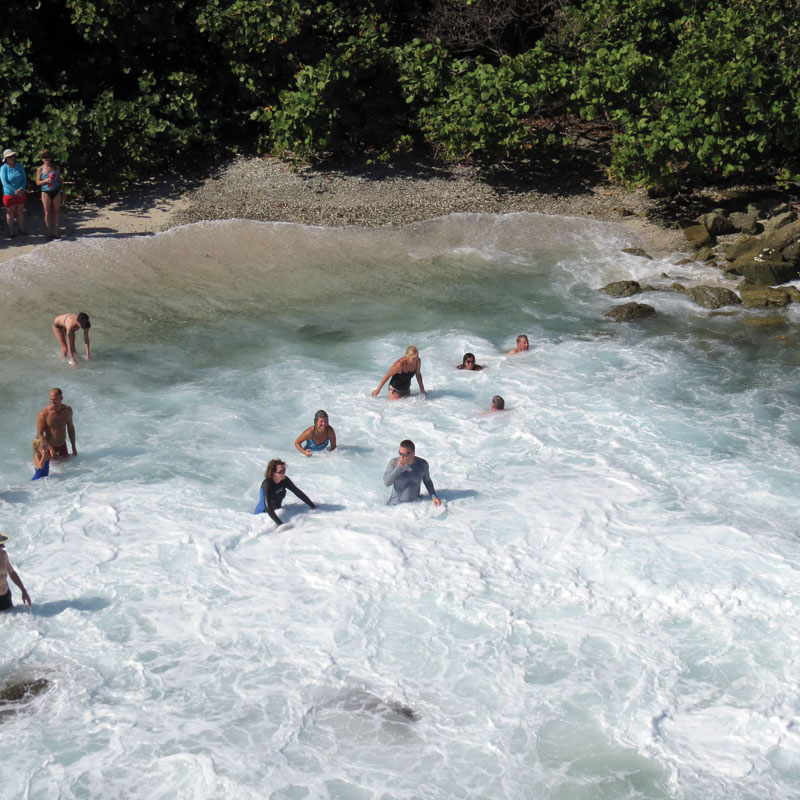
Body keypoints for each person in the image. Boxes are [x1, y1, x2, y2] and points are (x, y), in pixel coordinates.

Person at [254, 459, 316, 526]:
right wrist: (281, 524)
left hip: (276, 512)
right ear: (272, 473)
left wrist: (313, 506)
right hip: (262, 517)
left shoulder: (285, 480)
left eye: (284, 470)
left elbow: (298, 492)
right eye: (280, 472)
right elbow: (267, 507)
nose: (284, 473)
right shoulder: (267, 484)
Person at [383, 439, 442, 506]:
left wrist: (434, 496)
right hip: (396, 505)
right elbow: (387, 483)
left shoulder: (422, 464)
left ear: (413, 453)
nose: (402, 457)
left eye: (405, 454)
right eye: (400, 454)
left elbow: (427, 481)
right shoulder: (393, 463)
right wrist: (398, 468)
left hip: (415, 505)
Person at [36, 388, 76, 459]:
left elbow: (70, 428)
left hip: (63, 445)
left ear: (61, 398)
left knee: (69, 466)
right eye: (51, 399)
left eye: (54, 399)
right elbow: (39, 434)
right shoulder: (44, 414)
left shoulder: (67, 411)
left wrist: (73, 446)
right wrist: (50, 448)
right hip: (49, 447)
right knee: (54, 469)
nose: (52, 401)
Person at [0, 533, 32, 611]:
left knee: (10, 619)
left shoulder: (3, 555)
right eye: (1, 545)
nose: (4, 547)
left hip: (5, 596)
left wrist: (23, 590)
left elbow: (12, 573)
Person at [36, 150, 63, 240]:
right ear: (42, 159)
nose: (46, 159)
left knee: (57, 211)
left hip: (56, 190)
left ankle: (57, 231)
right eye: (44, 158)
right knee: (47, 213)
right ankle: (48, 231)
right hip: (45, 191)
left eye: (48, 157)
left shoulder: (55, 167)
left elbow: (59, 179)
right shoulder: (40, 169)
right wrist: (45, 181)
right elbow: (38, 182)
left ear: (50, 158)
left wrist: (63, 191)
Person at [1, 148, 27, 238]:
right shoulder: (3, 168)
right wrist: (14, 191)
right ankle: (11, 231)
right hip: (9, 194)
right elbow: (4, 183)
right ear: (6, 159)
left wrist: (21, 189)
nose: (12, 158)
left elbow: (24, 179)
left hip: (21, 193)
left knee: (20, 212)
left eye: (13, 156)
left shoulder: (19, 166)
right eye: (9, 157)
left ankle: (22, 228)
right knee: (10, 212)